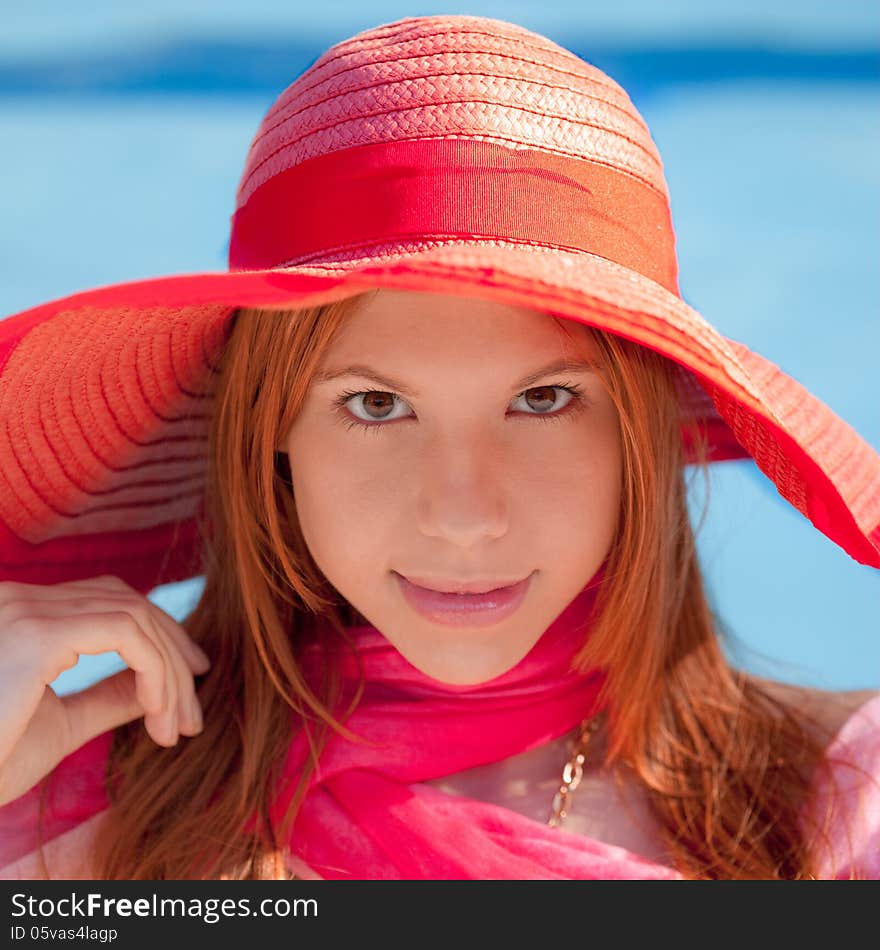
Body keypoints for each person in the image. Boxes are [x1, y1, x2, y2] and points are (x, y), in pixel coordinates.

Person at [0, 13, 877, 881]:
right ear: (271, 435)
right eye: (377, 404)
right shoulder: (61, 814)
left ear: (638, 439)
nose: (464, 518)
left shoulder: (841, 806)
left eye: (543, 399)